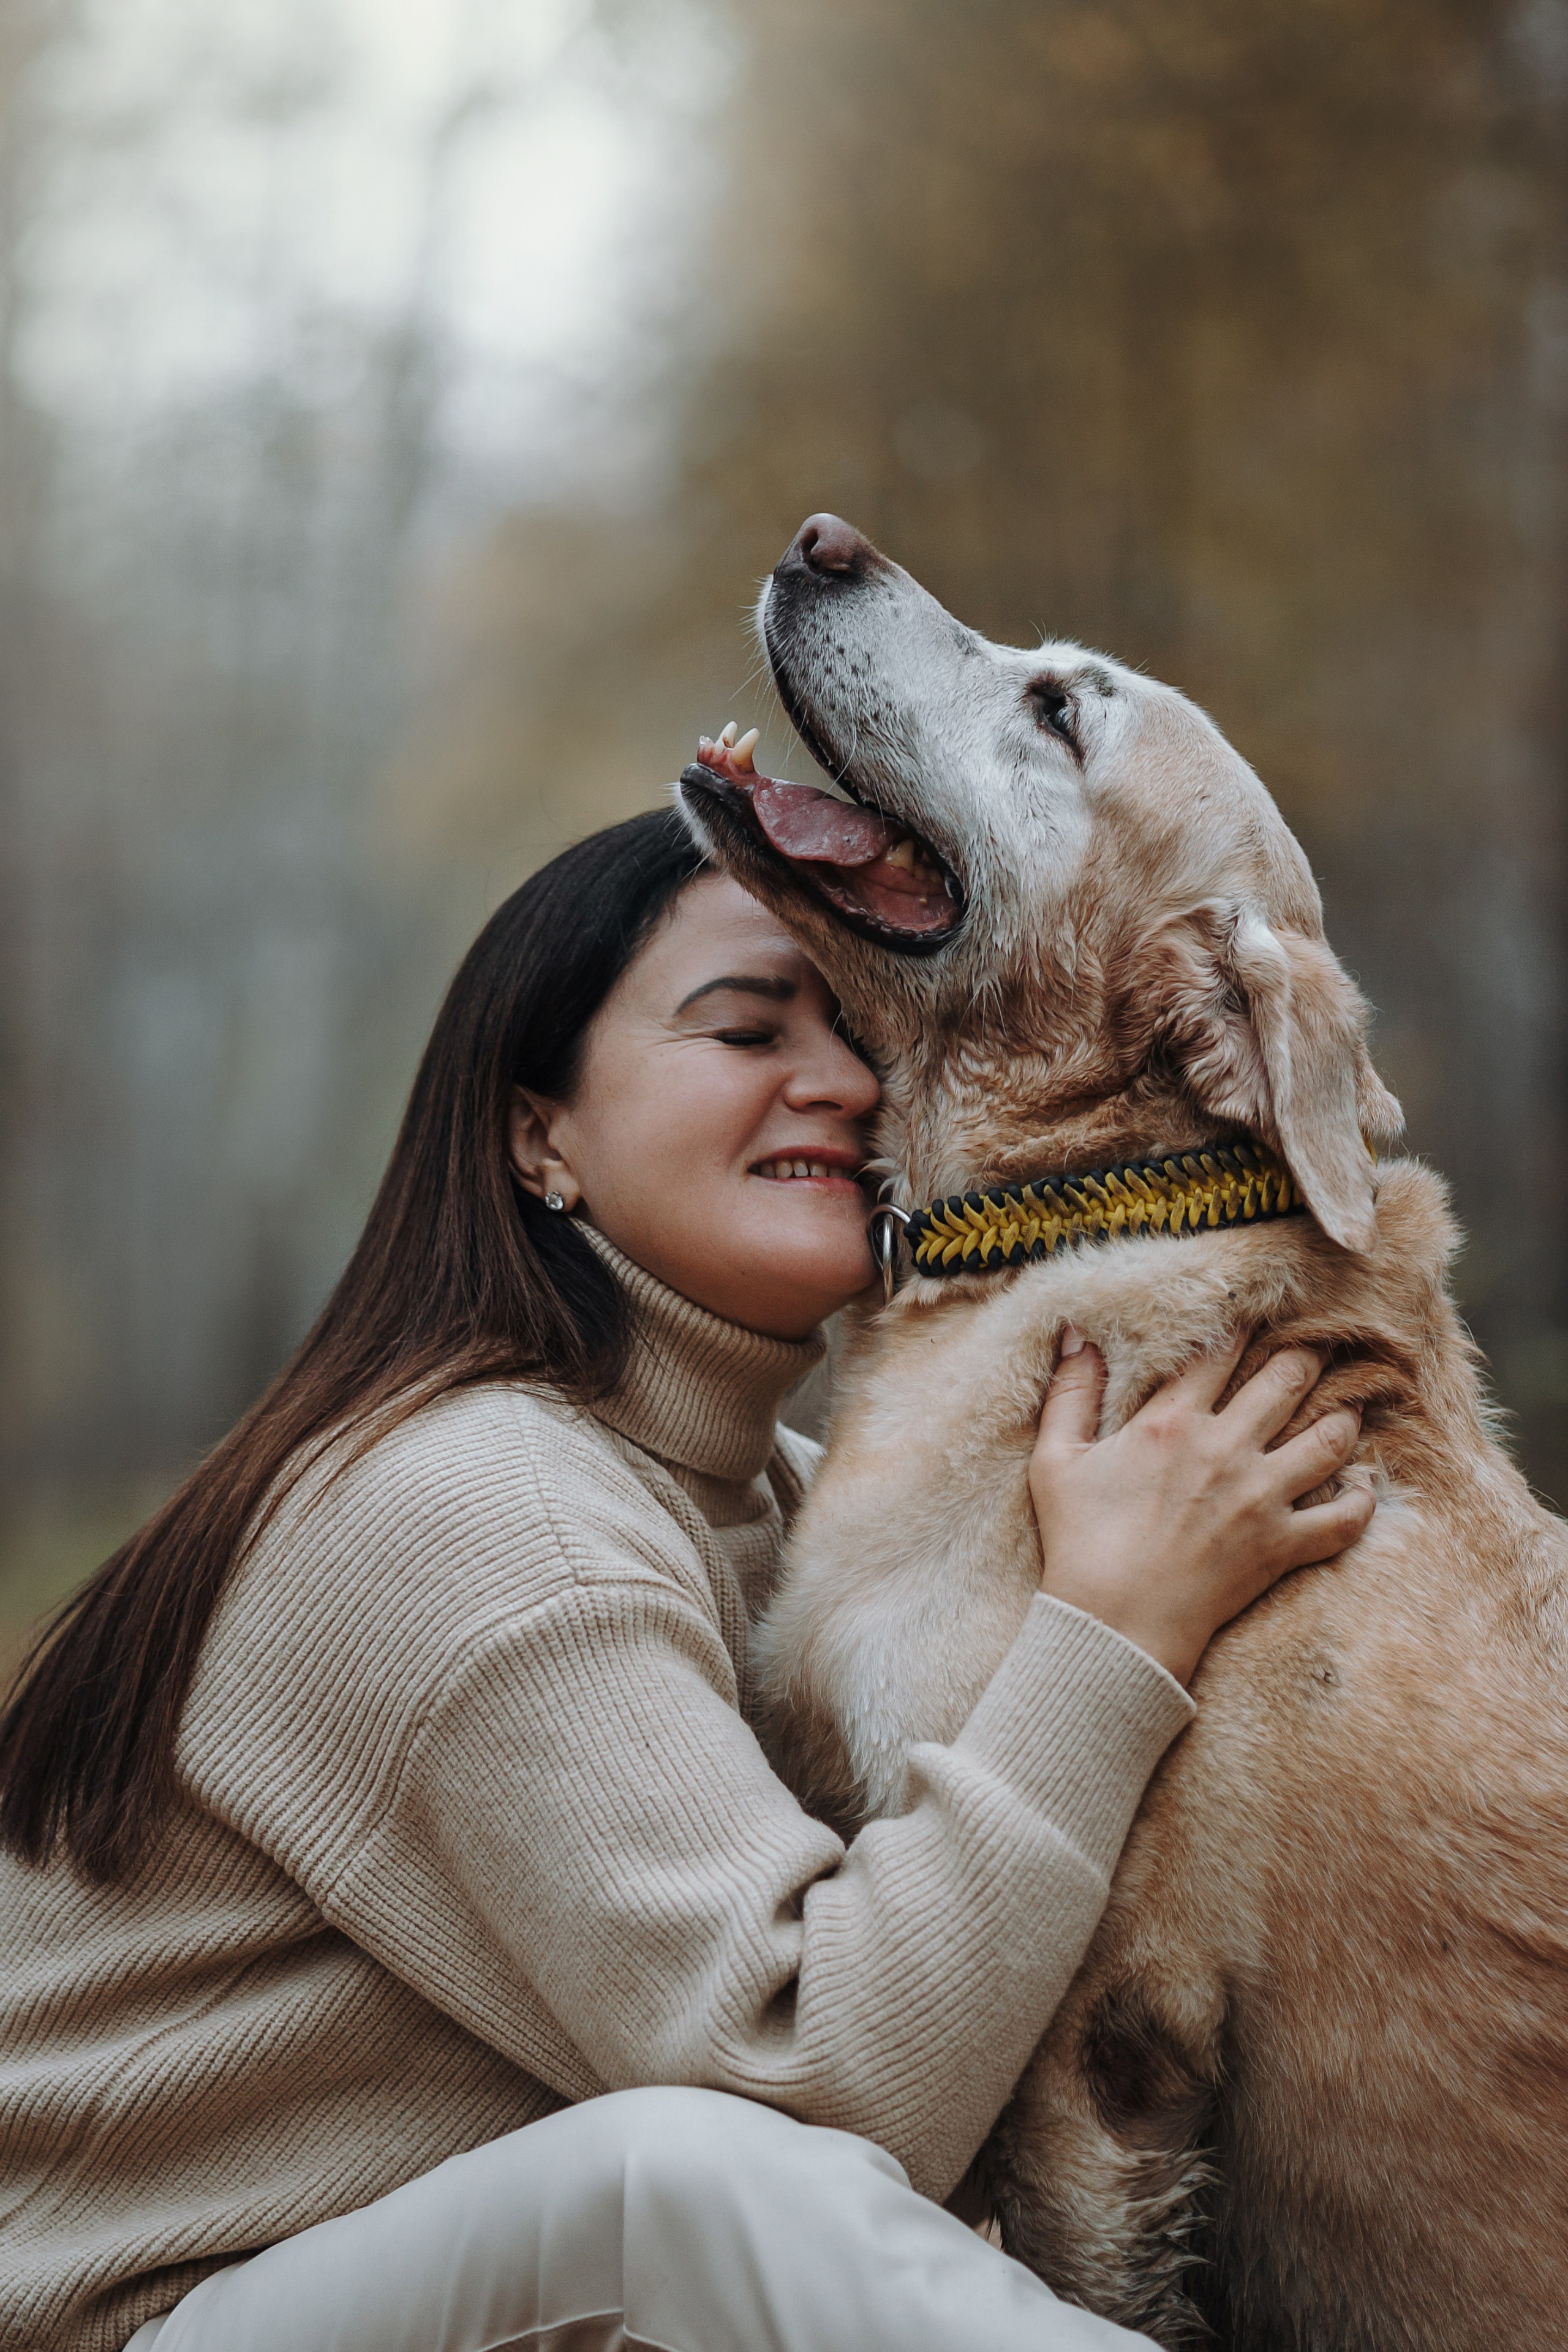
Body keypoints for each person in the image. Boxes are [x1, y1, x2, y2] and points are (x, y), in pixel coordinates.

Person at [0, 808, 1374, 2352]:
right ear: (540, 1135)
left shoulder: (773, 1499)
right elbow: (818, 2085)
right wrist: (1110, 1635)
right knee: (679, 2186)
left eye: (859, 1031)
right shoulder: (478, 1511)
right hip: (137, 2323)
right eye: (743, 1030)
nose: (848, 1086)